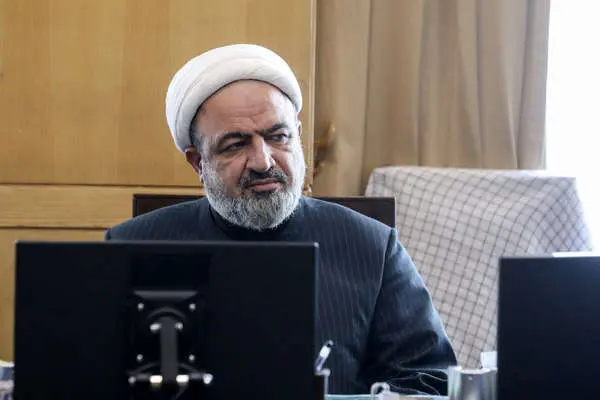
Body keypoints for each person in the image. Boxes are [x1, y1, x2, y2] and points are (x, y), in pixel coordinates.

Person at [105, 44, 457, 395]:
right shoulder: (130, 248)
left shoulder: (373, 248)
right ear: (198, 162)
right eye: (236, 144)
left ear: (298, 137)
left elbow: (428, 382)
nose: (263, 161)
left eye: (278, 137)